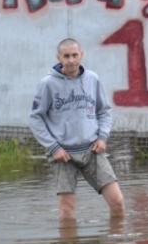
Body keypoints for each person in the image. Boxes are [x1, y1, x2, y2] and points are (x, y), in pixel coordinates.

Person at [29, 38, 125, 221]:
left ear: (82, 55)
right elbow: (35, 118)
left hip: (92, 150)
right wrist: (53, 147)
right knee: (67, 212)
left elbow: (104, 111)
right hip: (64, 155)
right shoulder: (48, 84)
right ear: (59, 57)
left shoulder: (93, 79)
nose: (71, 60)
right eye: (66, 56)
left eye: (74, 55)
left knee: (117, 202)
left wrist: (103, 137)